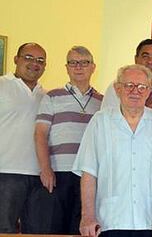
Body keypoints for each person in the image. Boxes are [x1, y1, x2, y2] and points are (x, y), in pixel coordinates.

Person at [73, 64, 152, 237]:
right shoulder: (100, 122)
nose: (135, 91)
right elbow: (88, 173)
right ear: (117, 89)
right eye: (129, 85)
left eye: (141, 87)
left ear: (148, 92)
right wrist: (87, 216)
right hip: (109, 220)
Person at [32, 46, 102, 234]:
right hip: (58, 173)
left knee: (82, 228)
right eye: (73, 62)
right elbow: (40, 134)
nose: (78, 67)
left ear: (93, 67)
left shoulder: (102, 101)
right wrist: (45, 169)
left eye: (84, 62)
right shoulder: (52, 96)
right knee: (54, 228)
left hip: (89, 174)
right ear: (67, 67)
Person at [0, 42, 48, 233]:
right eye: (28, 57)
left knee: (37, 232)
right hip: (6, 173)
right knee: (4, 230)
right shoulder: (2, 85)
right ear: (16, 59)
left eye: (40, 60)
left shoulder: (46, 95)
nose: (34, 63)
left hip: (40, 177)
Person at [102, 39, 152, 115]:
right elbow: (106, 118)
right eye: (145, 56)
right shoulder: (119, 86)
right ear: (136, 59)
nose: (150, 61)